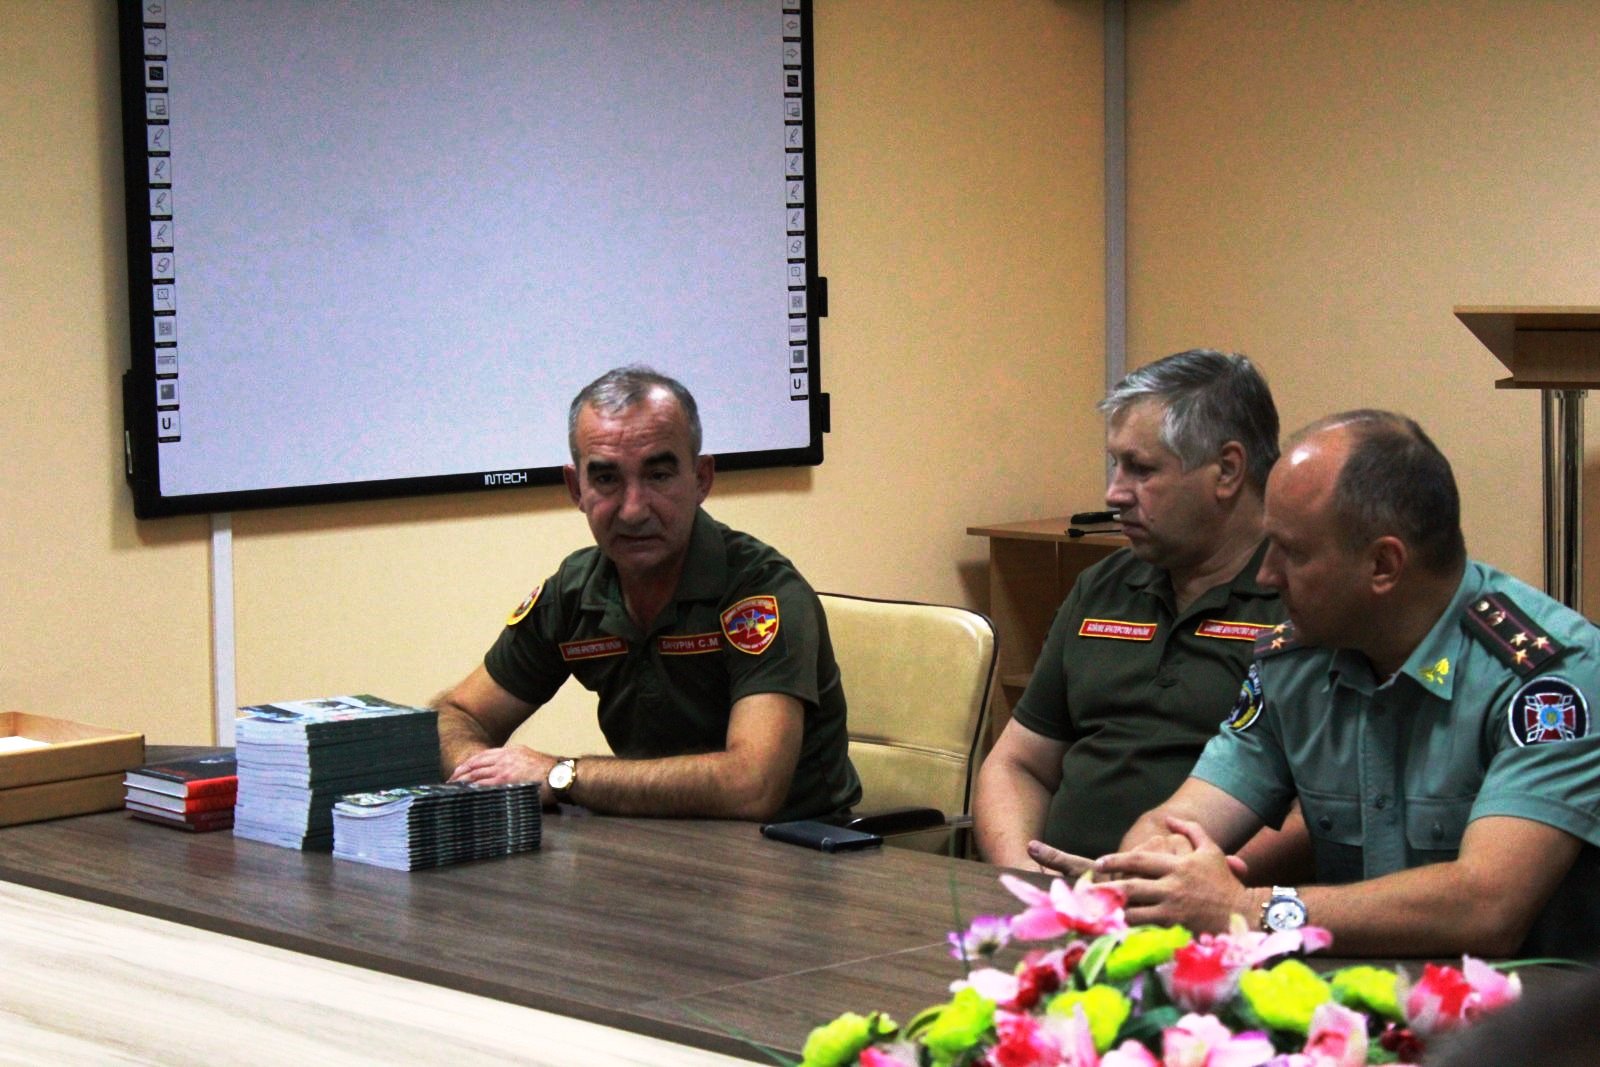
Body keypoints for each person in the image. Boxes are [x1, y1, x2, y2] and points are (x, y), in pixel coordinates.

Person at [1032, 410, 1600, 958]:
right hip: (1349, 993)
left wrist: (1246, 908)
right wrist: (1151, 872)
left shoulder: (1549, 678)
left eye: (1292, 553)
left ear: (1383, 565)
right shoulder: (1297, 659)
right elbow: (1182, 819)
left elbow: (1488, 905)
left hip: (1526, 1006)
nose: (1266, 575)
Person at [435, 365, 861, 822]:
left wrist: (561, 775)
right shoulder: (573, 593)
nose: (633, 510)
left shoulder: (760, 592)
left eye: (658, 475)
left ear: (701, 479)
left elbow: (752, 786)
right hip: (648, 839)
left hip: (792, 848)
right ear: (576, 489)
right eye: (606, 479)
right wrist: (477, 770)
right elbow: (455, 714)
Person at [973, 349, 1290, 868]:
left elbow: (1323, 809)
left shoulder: (1303, 599)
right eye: (1115, 465)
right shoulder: (1102, 587)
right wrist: (1025, 877)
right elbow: (1018, 764)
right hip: (1062, 894)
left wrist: (1187, 884)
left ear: (1228, 470)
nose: (1114, 493)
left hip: (1212, 897)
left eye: (1141, 469)